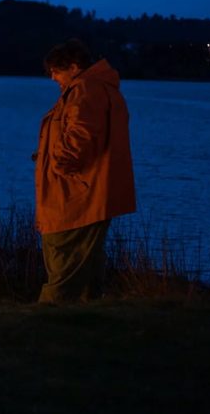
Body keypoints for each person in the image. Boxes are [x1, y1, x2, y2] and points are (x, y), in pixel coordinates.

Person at [34, 38, 135, 303]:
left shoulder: (85, 90)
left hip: (76, 196)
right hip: (90, 192)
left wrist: (58, 163)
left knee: (64, 261)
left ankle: (47, 323)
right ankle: (86, 319)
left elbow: (81, 135)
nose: (53, 78)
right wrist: (48, 154)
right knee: (85, 267)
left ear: (74, 66)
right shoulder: (98, 89)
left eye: (56, 71)